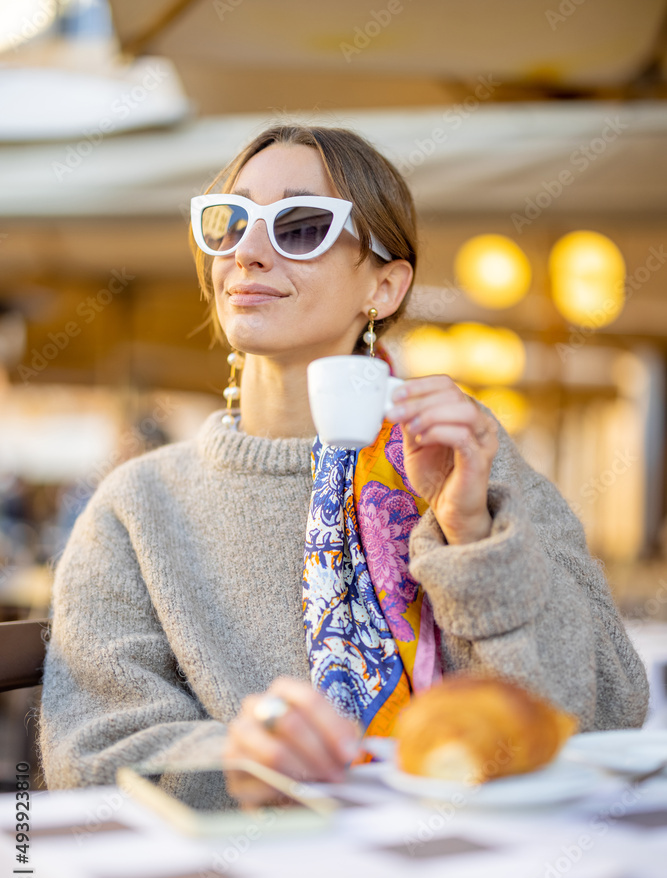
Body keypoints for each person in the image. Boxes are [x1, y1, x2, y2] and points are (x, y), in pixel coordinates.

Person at [38, 125, 648, 808]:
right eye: (229, 223)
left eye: (299, 227)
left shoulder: (469, 459)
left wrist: (471, 535)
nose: (248, 252)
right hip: (256, 875)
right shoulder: (138, 503)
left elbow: (602, 710)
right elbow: (88, 751)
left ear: (384, 287)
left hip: (476, 867)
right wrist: (234, 765)